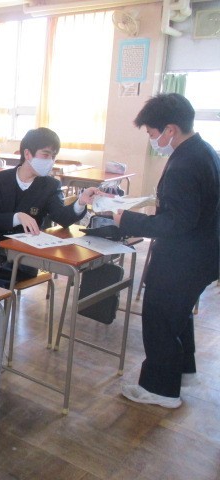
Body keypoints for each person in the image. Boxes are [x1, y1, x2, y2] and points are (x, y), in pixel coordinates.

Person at [111, 94, 220, 408]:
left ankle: (160, 390)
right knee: (178, 316)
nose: (152, 139)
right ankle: (181, 371)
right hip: (202, 254)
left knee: (160, 319)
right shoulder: (204, 151)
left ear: (170, 129)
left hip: (183, 260)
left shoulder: (184, 164)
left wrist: (126, 219)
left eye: (151, 132)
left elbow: (177, 223)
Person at [0, 128, 102, 347]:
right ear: (27, 154)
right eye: (46, 154)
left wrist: (81, 202)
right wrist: (17, 216)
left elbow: (62, 217)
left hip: (24, 258)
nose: (50, 161)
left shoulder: (49, 185)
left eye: (53, 156)